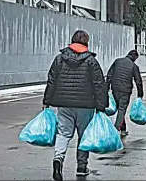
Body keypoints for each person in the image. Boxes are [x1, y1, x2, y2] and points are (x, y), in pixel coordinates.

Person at [42, 30, 108, 180]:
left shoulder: (60, 59)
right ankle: (81, 167)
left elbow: (51, 81)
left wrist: (46, 101)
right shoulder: (91, 61)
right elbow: (99, 84)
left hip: (64, 104)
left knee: (63, 134)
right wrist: (101, 106)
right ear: (86, 43)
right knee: (83, 135)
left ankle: (58, 160)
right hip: (86, 105)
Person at [106, 50, 144, 136]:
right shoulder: (134, 66)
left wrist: (107, 87)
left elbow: (109, 75)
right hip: (125, 90)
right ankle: (115, 130)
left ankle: (123, 129)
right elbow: (138, 81)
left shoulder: (117, 61)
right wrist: (140, 94)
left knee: (120, 108)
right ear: (134, 57)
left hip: (115, 88)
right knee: (122, 109)